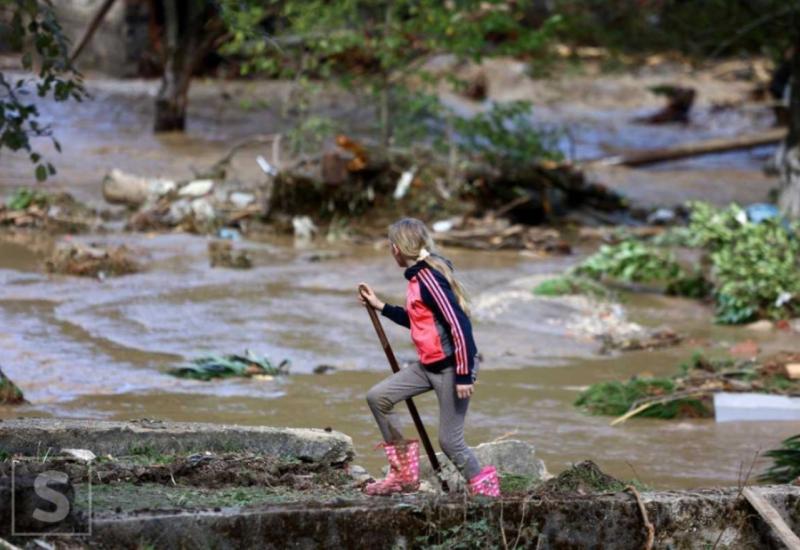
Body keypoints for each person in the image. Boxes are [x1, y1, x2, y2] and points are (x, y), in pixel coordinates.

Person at [358, 218, 500, 497]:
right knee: (379, 397)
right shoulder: (416, 277)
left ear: (397, 249)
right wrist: (381, 306)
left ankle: (487, 493)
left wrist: (462, 374)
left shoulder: (429, 278)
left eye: (390, 246)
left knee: (450, 441)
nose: (390, 251)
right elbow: (419, 320)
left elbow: (460, 326)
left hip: (452, 368)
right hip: (429, 365)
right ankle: (403, 475)